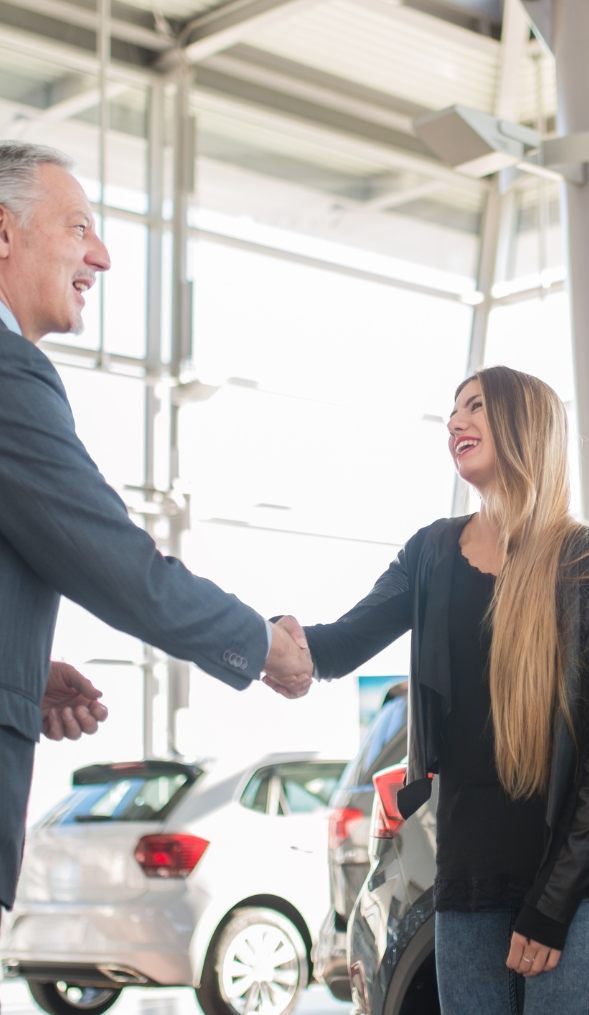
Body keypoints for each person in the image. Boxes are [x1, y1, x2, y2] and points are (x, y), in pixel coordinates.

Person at [0, 140, 314, 917]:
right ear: (4, 233)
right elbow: (115, 563)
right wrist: (263, 644)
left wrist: (19, 667)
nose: (102, 256)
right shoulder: (8, 372)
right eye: (78, 227)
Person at [281, 365, 589, 1014]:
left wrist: (554, 903)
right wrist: (262, 640)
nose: (454, 422)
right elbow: (340, 643)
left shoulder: (587, 561)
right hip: (467, 876)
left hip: (568, 885)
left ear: (523, 423)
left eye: (474, 406)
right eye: (452, 410)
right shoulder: (432, 553)